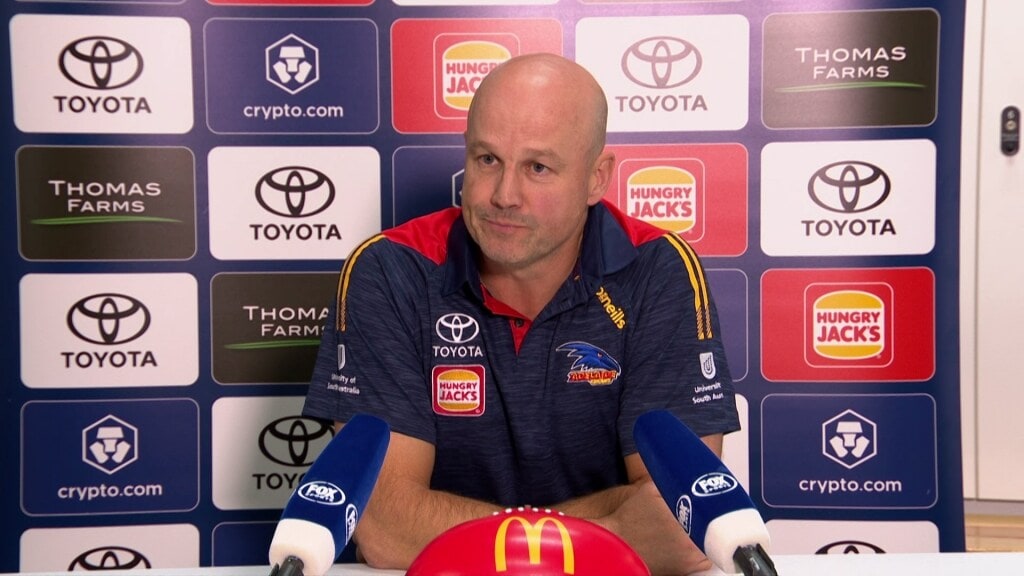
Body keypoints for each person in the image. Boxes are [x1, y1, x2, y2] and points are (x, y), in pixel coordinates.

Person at [302, 52, 740, 575]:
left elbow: (679, 523)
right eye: (487, 159)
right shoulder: (391, 269)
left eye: (538, 167)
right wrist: (614, 522)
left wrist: (448, 527)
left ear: (597, 178)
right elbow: (384, 527)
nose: (504, 195)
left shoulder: (658, 269)